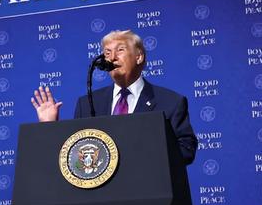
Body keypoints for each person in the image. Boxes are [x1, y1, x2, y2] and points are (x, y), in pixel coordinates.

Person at [30, 29, 198, 165]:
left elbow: (186, 150)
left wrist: (146, 154)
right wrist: (49, 127)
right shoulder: (87, 104)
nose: (112, 57)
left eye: (120, 50)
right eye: (107, 52)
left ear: (139, 57)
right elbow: (75, 156)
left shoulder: (170, 102)